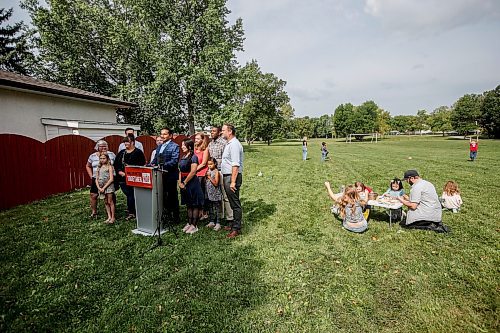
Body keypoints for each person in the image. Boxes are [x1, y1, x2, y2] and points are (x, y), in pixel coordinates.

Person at [151, 127, 180, 226]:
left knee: (172, 196)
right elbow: (155, 160)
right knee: (163, 196)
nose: (162, 136)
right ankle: (165, 216)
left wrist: (162, 166)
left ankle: (175, 218)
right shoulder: (160, 146)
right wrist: (150, 165)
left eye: (165, 134)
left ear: (170, 135)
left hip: (170, 175)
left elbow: (174, 160)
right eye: (161, 134)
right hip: (159, 176)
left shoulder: (175, 146)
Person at [114, 135, 146, 220]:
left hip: (134, 178)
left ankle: (133, 212)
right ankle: (132, 211)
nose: (125, 143)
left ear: (132, 142)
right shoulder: (122, 153)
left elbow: (142, 164)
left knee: (132, 195)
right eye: (124, 142)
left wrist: (131, 169)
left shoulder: (138, 152)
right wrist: (119, 171)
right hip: (122, 178)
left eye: (127, 141)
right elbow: (116, 164)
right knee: (129, 195)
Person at [221, 124, 244, 238]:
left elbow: (235, 164)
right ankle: (233, 224)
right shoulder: (229, 144)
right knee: (231, 201)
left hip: (231, 176)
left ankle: (236, 228)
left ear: (230, 132)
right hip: (228, 176)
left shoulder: (234, 144)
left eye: (223, 130)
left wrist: (233, 181)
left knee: (235, 203)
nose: (222, 132)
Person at [207, 125, 234, 224]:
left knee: (225, 195)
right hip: (213, 171)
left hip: (221, 171)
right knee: (216, 195)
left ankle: (230, 217)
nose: (211, 132)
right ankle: (219, 217)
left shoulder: (224, 143)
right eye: (211, 131)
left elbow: (226, 158)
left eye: (214, 131)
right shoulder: (210, 144)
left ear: (219, 133)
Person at [178, 138, 204, 234]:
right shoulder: (183, 156)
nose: (182, 147)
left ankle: (194, 225)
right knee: (189, 204)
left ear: (189, 147)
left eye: (183, 145)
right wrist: (180, 182)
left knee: (195, 204)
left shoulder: (194, 157)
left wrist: (185, 182)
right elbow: (180, 171)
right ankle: (189, 223)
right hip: (183, 182)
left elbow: (193, 171)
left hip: (192, 183)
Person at [85, 140, 116, 218]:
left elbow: (116, 165)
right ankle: (94, 212)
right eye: (101, 146)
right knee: (94, 195)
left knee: (110, 195)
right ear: (97, 147)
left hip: (109, 179)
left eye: (105, 145)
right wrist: (91, 176)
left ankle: (113, 213)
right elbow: (88, 166)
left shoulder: (111, 154)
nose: (103, 147)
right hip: (97, 178)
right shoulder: (92, 156)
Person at [95, 153, 115, 224]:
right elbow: (96, 179)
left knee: (110, 201)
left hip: (108, 186)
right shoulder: (99, 167)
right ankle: (109, 216)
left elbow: (111, 179)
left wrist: (104, 187)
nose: (102, 160)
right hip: (101, 186)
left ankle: (113, 217)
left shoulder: (109, 167)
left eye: (104, 158)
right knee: (106, 202)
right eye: (101, 158)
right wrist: (99, 188)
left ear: (107, 159)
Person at [194, 132, 210, 219]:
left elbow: (204, 163)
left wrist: (194, 170)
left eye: (198, 139)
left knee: (202, 193)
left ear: (202, 140)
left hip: (201, 173)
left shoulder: (205, 149)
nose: (195, 140)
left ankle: (204, 211)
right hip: (194, 174)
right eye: (195, 138)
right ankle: (198, 210)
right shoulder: (194, 149)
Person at [205, 158, 223, 231]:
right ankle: (212, 221)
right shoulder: (208, 171)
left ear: (215, 164)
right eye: (208, 164)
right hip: (209, 192)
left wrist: (209, 177)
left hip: (215, 193)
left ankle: (218, 223)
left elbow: (216, 183)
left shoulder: (216, 172)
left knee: (217, 208)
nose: (209, 166)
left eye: (211, 164)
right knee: (210, 207)